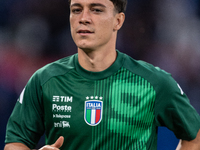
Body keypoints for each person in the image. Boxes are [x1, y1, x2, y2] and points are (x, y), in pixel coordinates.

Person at [4, 0, 200, 149]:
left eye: (96, 10)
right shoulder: (44, 80)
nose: (83, 18)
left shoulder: (154, 81)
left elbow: (194, 135)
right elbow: (15, 142)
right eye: (76, 10)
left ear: (118, 20)